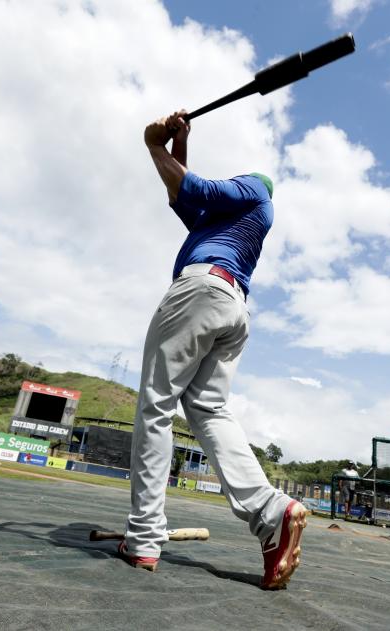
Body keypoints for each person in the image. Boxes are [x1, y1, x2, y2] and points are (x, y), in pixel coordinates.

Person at [122, 110, 305, 590]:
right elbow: (185, 203)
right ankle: (270, 511)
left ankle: (143, 535)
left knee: (156, 405)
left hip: (201, 291)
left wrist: (153, 146)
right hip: (232, 307)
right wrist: (178, 144)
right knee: (208, 409)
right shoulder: (227, 219)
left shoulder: (256, 190)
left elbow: (198, 190)